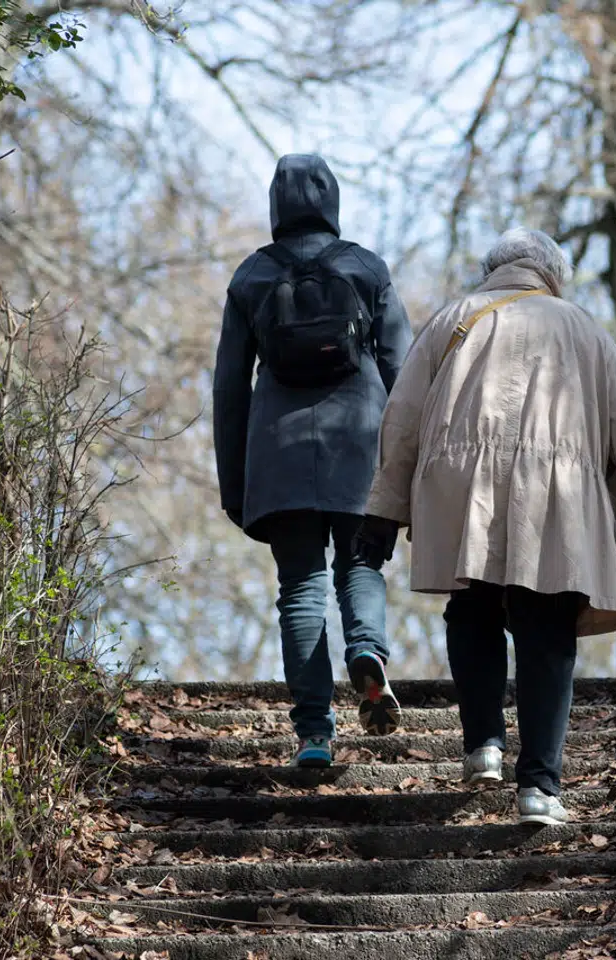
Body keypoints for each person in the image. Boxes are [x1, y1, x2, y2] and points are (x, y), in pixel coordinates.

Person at [355, 227, 616, 825]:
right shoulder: (584, 329)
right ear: (553, 273)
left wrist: (383, 511)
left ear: (492, 269)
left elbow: (402, 418)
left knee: (472, 608)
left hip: (462, 484)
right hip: (556, 491)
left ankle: (484, 746)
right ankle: (539, 788)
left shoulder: (453, 318)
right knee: (546, 628)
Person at [213, 153, 413, 767]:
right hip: (360, 445)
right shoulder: (366, 268)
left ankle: (314, 734)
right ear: (332, 200)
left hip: (278, 454)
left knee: (300, 585)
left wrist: (235, 484)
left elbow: (227, 387)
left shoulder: (252, 277)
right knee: (362, 567)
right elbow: (401, 373)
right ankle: (367, 652)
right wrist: (407, 469)